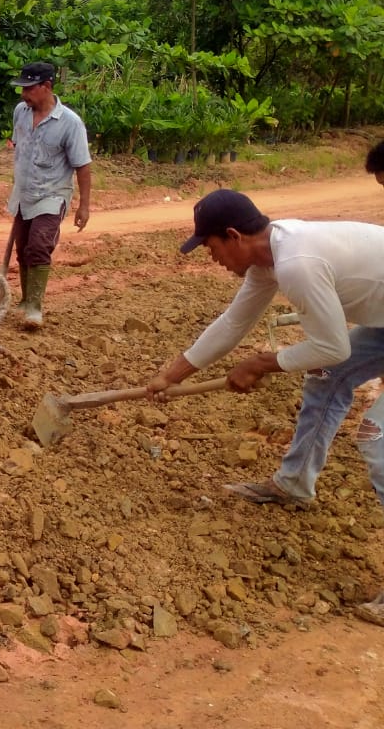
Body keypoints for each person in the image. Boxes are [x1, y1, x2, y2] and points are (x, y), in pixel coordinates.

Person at [144, 188, 384, 627]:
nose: (212, 259)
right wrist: (171, 375)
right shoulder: (269, 256)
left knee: (379, 441)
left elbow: (331, 344)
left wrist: (261, 363)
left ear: (233, 236)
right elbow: (235, 322)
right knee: (327, 379)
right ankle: (293, 484)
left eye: (212, 248)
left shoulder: (296, 264)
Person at [6, 61, 92, 329]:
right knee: (23, 249)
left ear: (46, 87)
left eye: (29, 88)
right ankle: (24, 299)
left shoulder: (70, 123)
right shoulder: (20, 112)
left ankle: (35, 307)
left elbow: (83, 165)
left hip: (52, 195)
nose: (23, 94)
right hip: (24, 193)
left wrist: (84, 206)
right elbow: (19, 147)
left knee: (40, 246)